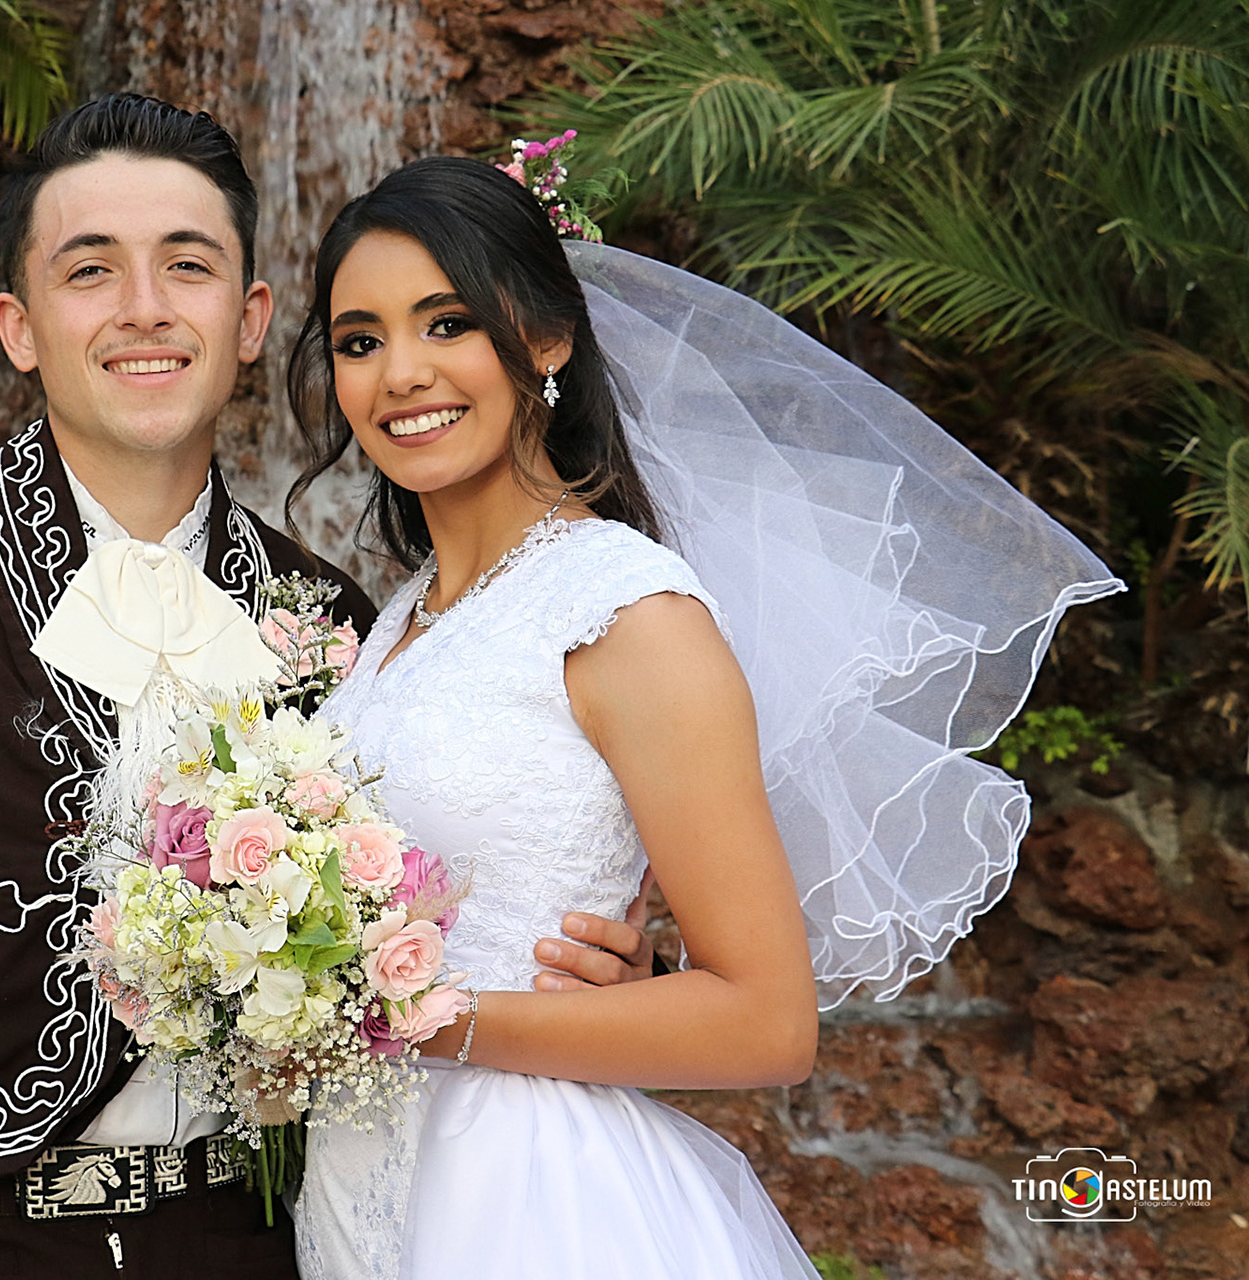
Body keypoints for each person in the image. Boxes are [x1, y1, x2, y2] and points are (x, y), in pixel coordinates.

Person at [0, 97, 650, 1280]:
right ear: (18, 326)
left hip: (260, 1246)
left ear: (250, 319)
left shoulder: (336, 626)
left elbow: (429, 913)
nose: (145, 308)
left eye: (188, 264)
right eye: (90, 270)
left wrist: (613, 987)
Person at [285, 156, 1121, 1279]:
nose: (401, 373)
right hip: (359, 1186)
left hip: (529, 1202)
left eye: (449, 323)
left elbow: (767, 1021)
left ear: (545, 339)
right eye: (360, 340)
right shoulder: (402, 622)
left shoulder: (626, 613)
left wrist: (420, 1017)